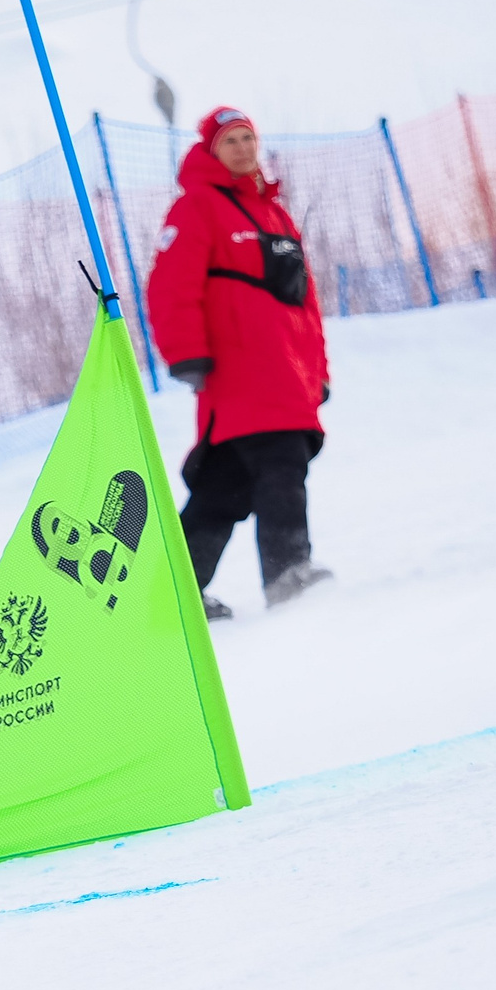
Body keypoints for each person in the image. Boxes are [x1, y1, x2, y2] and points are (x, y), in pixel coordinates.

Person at [147, 105, 335, 618]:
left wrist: (317, 373)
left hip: (285, 373)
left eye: (248, 137)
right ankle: (289, 573)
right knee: (281, 463)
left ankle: (174, 598)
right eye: (229, 141)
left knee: (222, 489)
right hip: (235, 372)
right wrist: (185, 353)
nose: (242, 148)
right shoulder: (196, 209)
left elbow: (306, 303)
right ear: (211, 152)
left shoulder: (275, 215)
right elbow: (169, 286)